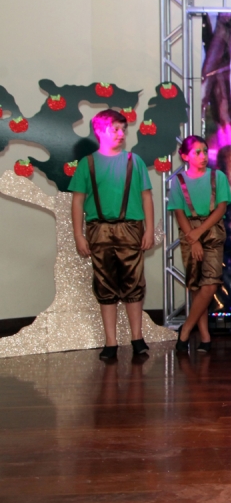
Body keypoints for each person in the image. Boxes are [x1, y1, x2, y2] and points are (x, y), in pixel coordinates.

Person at [70, 109, 155, 361]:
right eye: (115, 129)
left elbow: (146, 197)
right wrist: (78, 235)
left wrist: (149, 229)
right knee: (104, 283)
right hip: (99, 229)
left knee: (133, 282)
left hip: (130, 228)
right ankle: (110, 342)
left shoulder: (134, 161)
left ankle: (137, 337)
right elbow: (77, 201)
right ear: (100, 131)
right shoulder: (87, 163)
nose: (121, 133)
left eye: (123, 129)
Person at [168, 135, 231, 354]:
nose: (203, 156)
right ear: (185, 156)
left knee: (211, 283)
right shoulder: (178, 181)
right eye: (197, 152)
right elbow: (179, 212)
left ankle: (186, 329)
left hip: (211, 232)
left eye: (205, 151)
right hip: (189, 233)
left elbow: (221, 208)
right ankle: (205, 337)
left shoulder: (217, 177)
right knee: (197, 284)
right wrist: (192, 237)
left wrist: (199, 232)